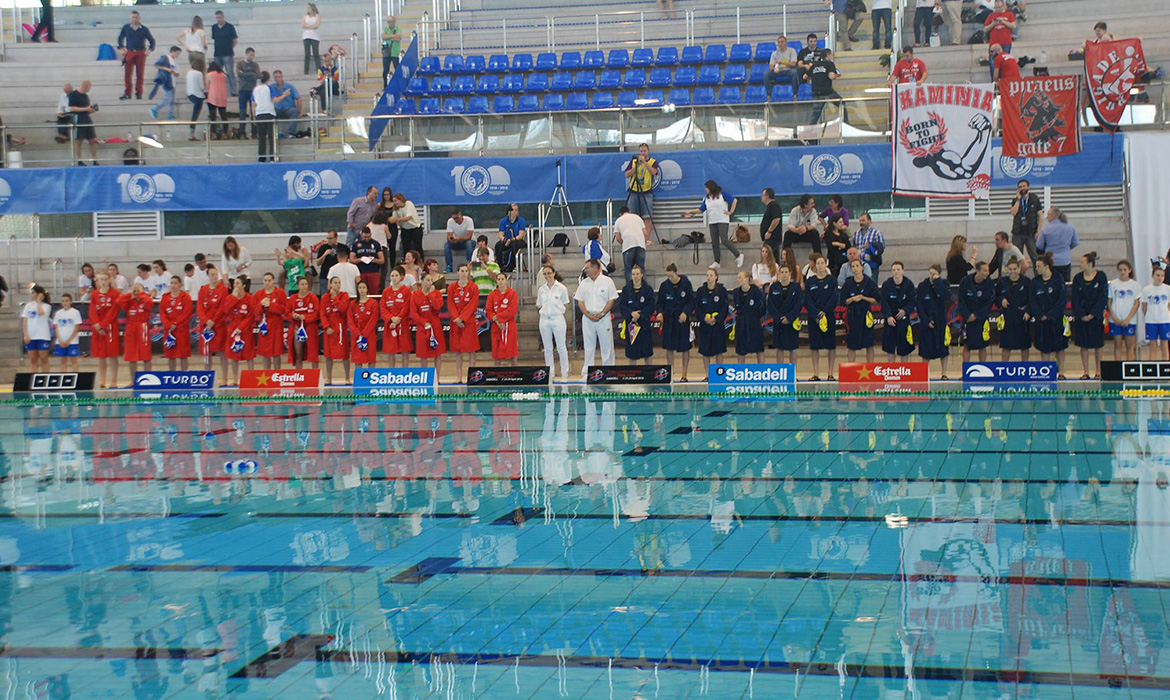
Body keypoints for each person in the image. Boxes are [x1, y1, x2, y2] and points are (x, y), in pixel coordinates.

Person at [683, 180, 743, 269]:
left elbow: (734, 200)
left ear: (710, 187)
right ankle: (717, 261)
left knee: (724, 240)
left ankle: (738, 255)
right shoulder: (707, 198)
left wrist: (731, 211)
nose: (705, 189)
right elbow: (701, 209)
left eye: (706, 188)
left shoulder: (722, 194)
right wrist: (690, 212)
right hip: (712, 222)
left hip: (722, 220)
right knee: (714, 242)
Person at [576, 259, 618, 377]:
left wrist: (602, 313)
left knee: (607, 346)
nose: (586, 270)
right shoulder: (584, 283)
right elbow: (580, 301)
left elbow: (612, 299)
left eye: (587, 268)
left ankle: (608, 371)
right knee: (588, 347)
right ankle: (587, 372)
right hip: (588, 318)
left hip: (603, 318)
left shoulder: (607, 281)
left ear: (595, 268)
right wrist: (588, 314)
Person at [1071, 251, 1107, 379]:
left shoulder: (1101, 277)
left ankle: (1098, 371)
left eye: (1082, 262)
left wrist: (1093, 314)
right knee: (1083, 344)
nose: (1079, 265)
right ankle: (1086, 371)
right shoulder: (1077, 278)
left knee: (1098, 344)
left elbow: (1103, 298)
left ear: (1090, 264)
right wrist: (1081, 314)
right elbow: (1074, 298)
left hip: (1095, 316)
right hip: (1082, 315)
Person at [656, 263, 694, 381]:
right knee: (669, 348)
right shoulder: (664, 286)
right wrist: (660, 313)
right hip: (669, 319)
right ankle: (671, 373)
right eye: (668, 276)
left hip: (682, 319)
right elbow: (660, 303)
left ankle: (684, 374)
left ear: (676, 273)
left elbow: (691, 301)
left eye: (671, 276)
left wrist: (685, 312)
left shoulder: (686, 284)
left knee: (685, 348)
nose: (670, 279)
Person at [1031, 254, 1067, 376]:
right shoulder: (1035, 282)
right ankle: (1046, 371)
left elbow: (1062, 299)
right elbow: (1032, 300)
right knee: (1044, 346)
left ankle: (1061, 372)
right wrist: (1040, 314)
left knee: (1059, 346)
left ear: (1046, 266)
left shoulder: (1058, 279)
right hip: (1041, 319)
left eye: (1039, 266)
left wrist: (1051, 315)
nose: (1037, 269)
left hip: (1056, 319)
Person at [805, 254, 838, 380]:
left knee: (831, 345)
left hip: (828, 316)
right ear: (814, 265)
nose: (819, 265)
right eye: (817, 263)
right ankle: (816, 373)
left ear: (826, 264)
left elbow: (834, 298)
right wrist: (816, 313)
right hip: (814, 317)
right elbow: (807, 300)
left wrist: (825, 311)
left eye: (822, 263)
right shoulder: (810, 281)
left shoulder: (832, 280)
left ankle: (830, 373)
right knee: (814, 346)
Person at [535, 266, 570, 380]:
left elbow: (566, 304)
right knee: (548, 348)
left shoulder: (561, 288)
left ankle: (565, 372)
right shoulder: (541, 289)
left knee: (561, 347)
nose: (547, 276)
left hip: (557, 318)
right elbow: (540, 304)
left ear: (554, 273)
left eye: (549, 273)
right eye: (545, 274)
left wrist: (558, 312)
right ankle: (550, 373)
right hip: (544, 319)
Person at [841, 258, 879, 363]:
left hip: (866, 315)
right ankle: (851, 368)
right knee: (851, 345)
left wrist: (863, 298)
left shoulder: (869, 283)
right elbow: (843, 301)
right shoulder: (848, 284)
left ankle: (870, 366)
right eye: (853, 267)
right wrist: (852, 299)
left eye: (857, 266)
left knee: (869, 344)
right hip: (852, 316)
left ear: (862, 267)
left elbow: (876, 300)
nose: (855, 269)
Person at [447, 264, 481, 380]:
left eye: (466, 271)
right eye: (462, 271)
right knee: (458, 351)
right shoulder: (451, 287)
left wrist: (463, 318)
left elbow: (473, 304)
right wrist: (456, 318)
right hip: (456, 322)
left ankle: (472, 375)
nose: (464, 273)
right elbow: (450, 304)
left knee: (471, 350)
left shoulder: (473, 287)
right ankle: (459, 376)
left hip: (468, 322)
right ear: (457, 273)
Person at [917, 264, 951, 379]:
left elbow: (945, 297)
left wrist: (937, 283)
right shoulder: (923, 286)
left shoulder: (944, 284)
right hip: (927, 319)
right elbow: (919, 306)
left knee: (943, 348)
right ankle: (925, 374)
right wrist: (926, 321)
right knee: (926, 349)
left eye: (934, 274)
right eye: (930, 273)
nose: (931, 276)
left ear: (939, 275)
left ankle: (944, 373)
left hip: (940, 320)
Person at [618, 265, 656, 365]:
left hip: (644, 325)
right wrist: (631, 313)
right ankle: (632, 376)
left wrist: (641, 314)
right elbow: (622, 305)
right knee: (631, 353)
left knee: (647, 352)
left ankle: (648, 375)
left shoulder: (648, 289)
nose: (635, 276)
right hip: (631, 325)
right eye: (633, 274)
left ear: (642, 275)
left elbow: (651, 305)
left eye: (637, 274)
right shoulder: (626, 290)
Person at [197, 265, 230, 379]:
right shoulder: (203, 290)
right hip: (206, 326)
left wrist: (213, 321)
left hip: (218, 325)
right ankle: (207, 376)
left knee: (222, 352)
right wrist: (206, 321)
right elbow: (200, 308)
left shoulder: (223, 290)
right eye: (212, 274)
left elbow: (223, 307)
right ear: (208, 276)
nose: (215, 277)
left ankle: (224, 377)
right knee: (207, 352)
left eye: (216, 274)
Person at [997, 256, 1032, 362]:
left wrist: (1028, 311)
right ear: (1007, 269)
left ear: (1019, 268)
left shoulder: (1026, 281)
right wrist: (1001, 300)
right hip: (1008, 316)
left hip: (1022, 317)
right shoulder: (1002, 282)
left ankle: (1025, 367)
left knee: (1024, 345)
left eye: (1015, 269)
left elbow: (1032, 299)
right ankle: (1004, 368)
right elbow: (996, 296)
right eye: (1010, 269)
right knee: (1006, 345)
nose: (1013, 272)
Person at [959, 261, 995, 363]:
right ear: (978, 271)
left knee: (983, 346)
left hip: (982, 319)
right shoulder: (965, 281)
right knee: (966, 345)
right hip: (968, 319)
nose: (987, 273)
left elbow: (989, 303)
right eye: (985, 271)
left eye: (988, 270)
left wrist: (977, 315)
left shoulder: (989, 283)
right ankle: (965, 371)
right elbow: (961, 301)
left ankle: (982, 369)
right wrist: (967, 315)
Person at [89, 272, 121, 388]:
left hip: (110, 327)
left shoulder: (115, 294)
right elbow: (92, 311)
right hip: (98, 329)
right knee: (101, 356)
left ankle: (114, 380)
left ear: (109, 280)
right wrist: (97, 325)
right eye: (100, 279)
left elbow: (114, 311)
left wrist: (103, 325)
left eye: (105, 279)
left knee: (113, 355)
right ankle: (102, 380)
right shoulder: (94, 294)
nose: (103, 281)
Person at [223, 277, 257, 385]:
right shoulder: (230, 297)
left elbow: (251, 315)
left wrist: (241, 327)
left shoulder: (250, 298)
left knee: (249, 355)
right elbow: (225, 310)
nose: (235, 286)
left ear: (244, 286)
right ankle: (234, 378)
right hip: (233, 329)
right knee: (234, 355)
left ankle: (251, 376)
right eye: (234, 284)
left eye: (238, 283)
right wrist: (233, 297)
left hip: (246, 329)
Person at [694, 268, 729, 371]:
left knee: (719, 351)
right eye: (707, 275)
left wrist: (717, 319)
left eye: (711, 275)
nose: (709, 277)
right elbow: (697, 307)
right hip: (705, 325)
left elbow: (725, 307)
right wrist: (704, 318)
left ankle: (718, 373)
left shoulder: (722, 290)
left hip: (717, 325)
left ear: (716, 277)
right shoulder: (701, 291)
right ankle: (708, 374)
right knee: (705, 351)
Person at [880, 262, 916, 361]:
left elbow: (912, 301)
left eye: (898, 269)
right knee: (890, 347)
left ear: (903, 271)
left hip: (903, 320)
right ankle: (891, 369)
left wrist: (905, 310)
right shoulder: (887, 285)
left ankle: (903, 370)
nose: (896, 272)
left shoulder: (909, 285)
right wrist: (888, 316)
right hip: (890, 320)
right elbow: (883, 302)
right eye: (894, 270)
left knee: (904, 347)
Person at [768, 264, 803, 365]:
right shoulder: (774, 287)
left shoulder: (796, 287)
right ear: (778, 274)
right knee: (779, 348)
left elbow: (798, 304)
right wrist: (779, 318)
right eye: (781, 272)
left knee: (792, 349)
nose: (784, 275)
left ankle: (793, 374)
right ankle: (780, 374)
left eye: (786, 272)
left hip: (791, 322)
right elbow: (771, 305)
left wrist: (789, 317)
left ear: (790, 274)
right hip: (778, 322)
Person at [117, 11, 156, 101]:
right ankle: (127, 93)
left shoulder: (144, 29)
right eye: (133, 17)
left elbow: (152, 41)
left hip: (140, 52)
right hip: (130, 52)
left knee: (140, 74)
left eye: (136, 17)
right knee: (128, 74)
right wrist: (122, 48)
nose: (134, 19)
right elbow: (120, 38)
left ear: (139, 18)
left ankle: (139, 93)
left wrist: (149, 50)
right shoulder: (126, 27)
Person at [623, 143, 658, 242]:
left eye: (645, 151)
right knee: (631, 216)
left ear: (648, 151)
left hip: (646, 191)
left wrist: (645, 163)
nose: (643, 153)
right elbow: (627, 174)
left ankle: (646, 239)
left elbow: (654, 172)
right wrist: (637, 165)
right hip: (634, 191)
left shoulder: (652, 161)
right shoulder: (634, 162)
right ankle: (633, 238)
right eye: (641, 151)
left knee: (647, 216)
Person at [118, 282, 154, 376]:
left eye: (139, 290)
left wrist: (142, 294)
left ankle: (148, 378)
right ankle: (133, 381)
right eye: (135, 290)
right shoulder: (129, 302)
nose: (136, 292)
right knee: (131, 356)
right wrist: (130, 293)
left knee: (146, 356)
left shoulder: (145, 300)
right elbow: (119, 301)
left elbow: (149, 303)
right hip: (131, 329)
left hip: (143, 328)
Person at [319, 275, 350, 385]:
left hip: (340, 327)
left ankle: (347, 378)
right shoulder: (324, 298)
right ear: (330, 284)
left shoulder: (344, 295)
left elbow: (343, 309)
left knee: (345, 354)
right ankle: (329, 378)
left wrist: (335, 299)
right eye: (335, 282)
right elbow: (322, 314)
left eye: (339, 282)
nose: (337, 284)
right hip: (329, 328)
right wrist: (326, 326)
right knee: (328, 355)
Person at [381, 266, 413, 365]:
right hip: (390, 325)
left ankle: (404, 373)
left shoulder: (406, 290)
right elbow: (383, 308)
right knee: (391, 351)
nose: (394, 278)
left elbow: (406, 306)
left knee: (405, 351)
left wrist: (398, 319)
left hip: (402, 324)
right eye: (392, 276)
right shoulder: (386, 291)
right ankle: (392, 373)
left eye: (396, 275)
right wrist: (391, 319)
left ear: (401, 277)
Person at [1036, 207, 1078, 282]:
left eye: (1048, 215)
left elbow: (1039, 245)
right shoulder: (1070, 227)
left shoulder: (1046, 229)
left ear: (1053, 216)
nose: (1047, 217)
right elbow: (1075, 242)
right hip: (1065, 260)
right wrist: (1066, 248)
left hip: (1051, 261)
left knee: (1052, 283)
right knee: (1065, 283)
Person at [1109, 260, 1140, 361]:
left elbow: (1136, 303)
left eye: (1125, 269)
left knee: (1129, 346)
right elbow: (1109, 301)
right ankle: (1118, 368)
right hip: (1116, 319)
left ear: (1129, 270)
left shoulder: (1135, 285)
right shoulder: (1113, 284)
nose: (1123, 272)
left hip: (1130, 320)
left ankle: (1129, 368)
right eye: (1121, 270)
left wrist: (1128, 318)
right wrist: (1114, 317)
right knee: (1117, 345)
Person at [732, 270, 765, 363]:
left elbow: (762, 307)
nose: (738, 279)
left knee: (758, 348)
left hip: (754, 322)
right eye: (737, 278)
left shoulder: (756, 292)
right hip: (741, 323)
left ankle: (761, 370)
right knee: (740, 349)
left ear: (747, 279)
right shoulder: (736, 293)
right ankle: (741, 372)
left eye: (740, 277)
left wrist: (754, 316)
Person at [486, 272, 519, 366]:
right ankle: (497, 374)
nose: (500, 282)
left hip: (509, 325)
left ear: (506, 280)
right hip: (496, 326)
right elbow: (488, 310)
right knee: (496, 351)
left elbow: (512, 310)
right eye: (498, 279)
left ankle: (515, 372)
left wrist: (499, 317)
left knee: (512, 350)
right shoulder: (492, 295)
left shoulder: (512, 293)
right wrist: (497, 321)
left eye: (502, 279)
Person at [286, 276, 320, 369]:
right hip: (297, 327)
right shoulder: (292, 298)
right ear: (297, 286)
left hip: (310, 327)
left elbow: (317, 314)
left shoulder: (313, 298)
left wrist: (305, 317)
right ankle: (299, 373)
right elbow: (287, 312)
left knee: (313, 353)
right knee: (298, 352)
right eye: (302, 284)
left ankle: (315, 374)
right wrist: (293, 316)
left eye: (306, 284)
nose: (304, 286)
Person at [254, 272, 286, 370]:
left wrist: (271, 305)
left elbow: (284, 309)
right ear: (263, 282)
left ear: (273, 281)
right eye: (265, 281)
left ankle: (277, 374)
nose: (267, 283)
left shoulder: (280, 293)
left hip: (276, 325)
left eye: (269, 280)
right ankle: (267, 373)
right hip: (264, 326)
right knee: (265, 352)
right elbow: (255, 311)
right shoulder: (258, 294)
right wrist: (261, 305)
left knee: (276, 352)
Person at [348, 280, 379, 371]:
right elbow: (350, 320)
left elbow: (373, 319)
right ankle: (359, 378)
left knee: (371, 357)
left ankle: (371, 377)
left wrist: (364, 333)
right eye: (360, 288)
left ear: (367, 289)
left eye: (363, 287)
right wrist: (357, 333)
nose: (362, 290)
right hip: (357, 335)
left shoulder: (373, 303)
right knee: (358, 357)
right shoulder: (352, 304)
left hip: (369, 334)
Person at [21, 285, 52, 374]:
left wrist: (39, 301)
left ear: (39, 294)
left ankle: (45, 378)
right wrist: (25, 334)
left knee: (44, 359)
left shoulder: (46, 306)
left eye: (33, 293)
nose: (31, 295)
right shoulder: (28, 306)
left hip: (42, 336)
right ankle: (33, 378)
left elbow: (40, 312)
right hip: (31, 336)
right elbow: (24, 321)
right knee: (33, 359)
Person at [1009, 179, 1042, 263]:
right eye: (1020, 187)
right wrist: (1018, 200)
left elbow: (1040, 215)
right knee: (1017, 258)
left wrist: (1038, 231)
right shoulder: (1015, 200)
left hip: (1031, 233)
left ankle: (1038, 275)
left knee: (1035, 257)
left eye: (1024, 186)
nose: (1022, 188)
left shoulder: (1034, 199)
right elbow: (1013, 212)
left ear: (1028, 187)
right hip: (1018, 233)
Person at [808, 50, 844, 125]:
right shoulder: (829, 64)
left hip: (815, 91)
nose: (832, 56)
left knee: (815, 115)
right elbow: (831, 76)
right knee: (842, 104)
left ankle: (809, 132)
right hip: (827, 91)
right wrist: (837, 75)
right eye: (831, 55)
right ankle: (845, 125)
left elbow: (805, 76)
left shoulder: (815, 65)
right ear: (827, 55)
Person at [615, 206, 648, 285]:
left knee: (628, 269)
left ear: (620, 214)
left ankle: (630, 289)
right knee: (641, 268)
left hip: (628, 245)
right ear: (629, 211)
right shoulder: (638, 217)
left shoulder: (618, 220)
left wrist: (624, 243)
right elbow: (645, 233)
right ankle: (644, 288)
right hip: (640, 244)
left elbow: (618, 238)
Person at [68, 81, 99, 166]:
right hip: (79, 119)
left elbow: (87, 109)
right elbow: (72, 108)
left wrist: (91, 110)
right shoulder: (73, 94)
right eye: (89, 87)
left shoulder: (85, 96)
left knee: (92, 140)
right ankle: (79, 160)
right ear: (86, 86)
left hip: (87, 119)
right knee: (79, 141)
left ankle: (95, 160)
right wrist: (85, 109)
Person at [1143, 266, 1170, 361]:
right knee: (1153, 345)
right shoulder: (1147, 289)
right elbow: (1144, 307)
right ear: (1152, 276)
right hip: (1151, 321)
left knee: (1164, 345)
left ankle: (1166, 367)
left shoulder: (1168, 289)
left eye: (1162, 276)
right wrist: (1150, 315)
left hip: (1165, 321)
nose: (1160, 278)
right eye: (1158, 275)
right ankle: (1152, 367)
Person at [351, 226, 386, 294]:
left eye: (368, 237)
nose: (366, 239)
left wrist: (374, 260)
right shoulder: (356, 244)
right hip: (361, 272)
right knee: (361, 292)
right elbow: (352, 260)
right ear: (361, 235)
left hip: (373, 272)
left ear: (371, 235)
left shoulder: (376, 244)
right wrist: (360, 259)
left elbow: (382, 260)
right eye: (364, 237)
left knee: (374, 292)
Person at [52, 293, 82, 372]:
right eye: (63, 301)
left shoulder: (75, 312)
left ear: (70, 302)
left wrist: (69, 340)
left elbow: (76, 328)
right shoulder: (58, 313)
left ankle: (75, 377)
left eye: (66, 301)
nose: (65, 303)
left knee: (73, 360)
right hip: (61, 341)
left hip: (72, 341)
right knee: (63, 361)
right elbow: (56, 327)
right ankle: (63, 378)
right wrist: (60, 340)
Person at [149, 46, 181, 120]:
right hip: (167, 80)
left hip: (172, 81)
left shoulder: (175, 62)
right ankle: (155, 109)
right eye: (177, 53)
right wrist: (167, 69)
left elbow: (176, 73)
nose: (178, 55)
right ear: (172, 51)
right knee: (168, 98)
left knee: (172, 100)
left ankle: (170, 114)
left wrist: (175, 73)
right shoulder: (165, 58)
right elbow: (157, 65)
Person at [211, 11, 238, 97]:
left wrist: (230, 48)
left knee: (230, 73)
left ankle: (233, 91)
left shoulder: (230, 27)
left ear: (223, 17)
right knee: (216, 74)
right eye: (217, 18)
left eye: (219, 17)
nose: (218, 19)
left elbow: (235, 40)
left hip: (228, 53)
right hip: (217, 54)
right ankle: (217, 91)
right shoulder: (214, 27)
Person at [495, 203, 528, 273]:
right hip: (506, 239)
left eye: (516, 210)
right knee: (498, 245)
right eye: (513, 210)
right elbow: (500, 234)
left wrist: (512, 240)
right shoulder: (503, 221)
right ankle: (500, 265)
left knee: (514, 245)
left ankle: (511, 266)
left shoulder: (521, 221)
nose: (515, 212)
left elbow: (521, 235)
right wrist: (505, 240)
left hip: (517, 240)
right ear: (508, 212)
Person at [391, 192, 423, 261]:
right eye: (393, 201)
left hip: (415, 228)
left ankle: (421, 262)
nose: (395, 203)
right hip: (405, 229)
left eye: (396, 201)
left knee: (417, 246)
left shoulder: (408, 204)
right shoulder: (396, 209)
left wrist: (397, 219)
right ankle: (407, 264)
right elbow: (393, 218)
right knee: (406, 248)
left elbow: (408, 217)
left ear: (401, 199)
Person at [853, 214, 885, 281]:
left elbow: (882, 248)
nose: (861, 222)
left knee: (872, 285)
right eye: (860, 221)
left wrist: (871, 246)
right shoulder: (856, 234)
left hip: (872, 264)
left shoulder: (876, 233)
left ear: (869, 221)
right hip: (859, 265)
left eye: (863, 220)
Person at [271, 71, 303, 138]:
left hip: (289, 109)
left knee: (294, 111)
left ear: (282, 77)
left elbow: (298, 98)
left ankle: (291, 133)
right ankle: (273, 133)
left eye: (279, 77)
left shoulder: (289, 86)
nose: (277, 79)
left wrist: (300, 111)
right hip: (277, 109)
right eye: (275, 77)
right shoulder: (272, 87)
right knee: (270, 112)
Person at [236, 48, 259, 138]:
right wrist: (251, 74)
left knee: (253, 112)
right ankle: (242, 132)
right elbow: (239, 74)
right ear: (246, 54)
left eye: (253, 55)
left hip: (252, 91)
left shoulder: (255, 64)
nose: (252, 57)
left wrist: (245, 74)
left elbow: (257, 75)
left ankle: (254, 132)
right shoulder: (240, 64)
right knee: (242, 112)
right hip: (242, 90)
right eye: (250, 55)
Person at [375, 187, 400, 267]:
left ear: (390, 195)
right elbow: (376, 216)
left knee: (392, 248)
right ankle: (383, 266)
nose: (386, 196)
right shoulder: (380, 205)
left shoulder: (394, 205)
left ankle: (393, 266)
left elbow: (398, 215)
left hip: (392, 227)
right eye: (385, 195)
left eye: (388, 194)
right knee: (383, 248)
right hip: (382, 228)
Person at [205, 62, 229, 139]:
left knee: (213, 116)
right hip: (222, 96)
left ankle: (214, 133)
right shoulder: (223, 75)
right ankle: (225, 133)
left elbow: (207, 86)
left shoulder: (209, 75)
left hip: (212, 97)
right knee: (224, 116)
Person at [759, 188, 785, 259]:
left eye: (763, 195)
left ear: (767, 196)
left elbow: (776, 219)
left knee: (766, 256)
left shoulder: (774, 205)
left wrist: (769, 231)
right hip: (772, 238)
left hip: (773, 238)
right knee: (774, 258)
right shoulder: (770, 206)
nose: (762, 197)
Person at [185, 65, 205, 141]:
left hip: (190, 94)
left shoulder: (189, 73)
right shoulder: (199, 73)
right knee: (195, 116)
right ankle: (191, 134)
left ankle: (192, 134)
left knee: (194, 116)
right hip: (198, 96)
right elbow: (202, 87)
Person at [381, 14, 402, 86]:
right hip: (387, 53)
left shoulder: (398, 29)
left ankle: (399, 85)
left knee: (398, 70)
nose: (390, 23)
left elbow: (399, 37)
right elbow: (383, 36)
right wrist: (393, 37)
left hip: (395, 52)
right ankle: (385, 86)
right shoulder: (385, 29)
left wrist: (388, 37)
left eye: (392, 21)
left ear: (394, 22)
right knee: (385, 71)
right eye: (389, 21)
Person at [302, 3, 322, 75]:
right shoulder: (305, 16)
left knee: (316, 54)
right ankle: (306, 71)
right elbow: (303, 25)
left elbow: (317, 25)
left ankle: (319, 70)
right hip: (306, 36)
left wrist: (308, 26)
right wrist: (311, 26)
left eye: (309, 7)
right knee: (307, 54)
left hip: (315, 36)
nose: (307, 9)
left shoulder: (317, 16)